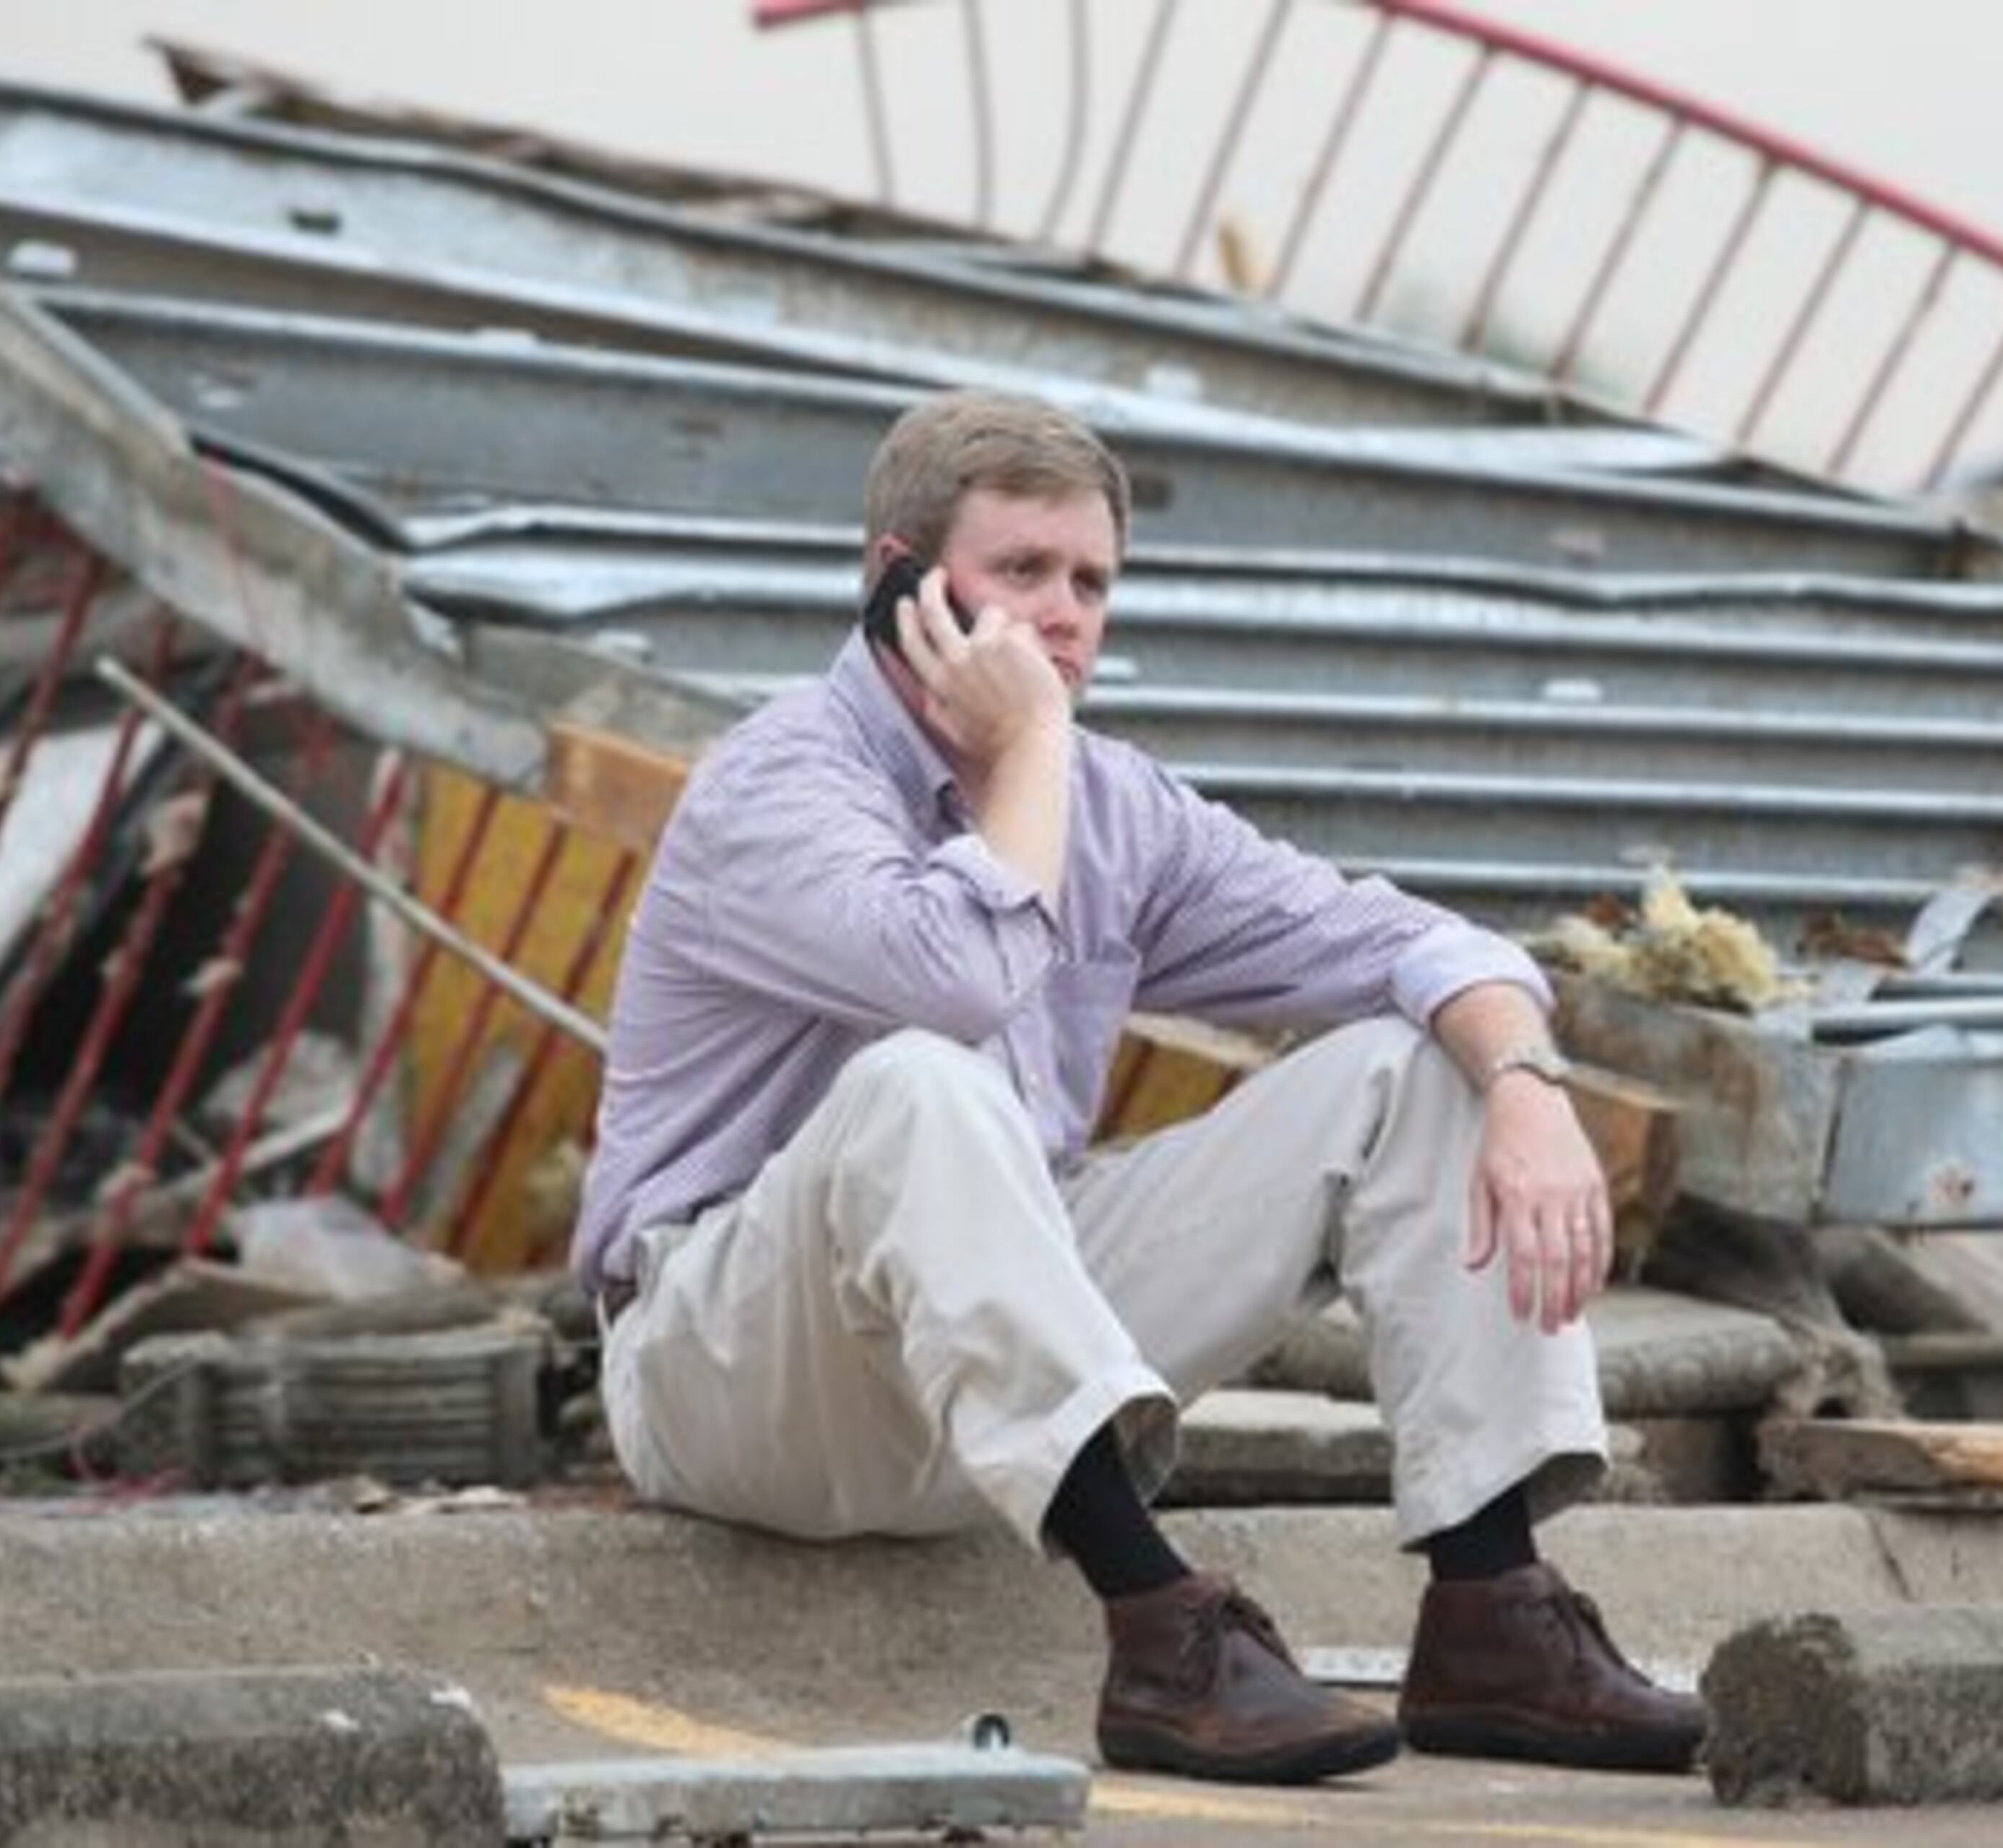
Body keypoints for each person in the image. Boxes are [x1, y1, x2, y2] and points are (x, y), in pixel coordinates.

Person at [573, 389, 1704, 1786]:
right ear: (896, 584)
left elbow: (1408, 940)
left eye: (1091, 582)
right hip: (739, 1377)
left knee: (1418, 1065)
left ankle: (1491, 1618)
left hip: (989, 1369)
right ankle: (1160, 1626)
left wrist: (1530, 1086)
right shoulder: (779, 784)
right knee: (917, 1082)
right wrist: (1032, 746)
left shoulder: (1118, 808)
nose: (1063, 617)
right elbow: (954, 978)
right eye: (1021, 573)